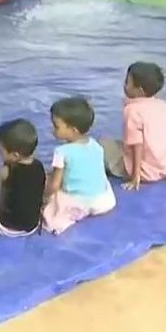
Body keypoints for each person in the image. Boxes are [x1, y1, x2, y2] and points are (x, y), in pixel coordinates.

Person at [42, 97, 116, 234]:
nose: (53, 130)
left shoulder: (61, 152)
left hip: (77, 202)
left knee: (47, 184)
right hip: (103, 202)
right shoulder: (95, 145)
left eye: (56, 126)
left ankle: (68, 216)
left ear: (73, 130)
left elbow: (54, 186)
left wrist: (44, 197)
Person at [100, 62, 166, 187]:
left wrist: (135, 176)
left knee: (102, 145)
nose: (124, 85)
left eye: (127, 82)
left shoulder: (132, 111)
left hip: (143, 170)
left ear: (139, 90)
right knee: (118, 144)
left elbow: (137, 145)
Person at [0, 119, 46, 237]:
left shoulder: (5, 171)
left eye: (1, 151)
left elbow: (2, 201)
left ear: (15, 155)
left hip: (9, 229)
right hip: (33, 226)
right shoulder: (39, 166)